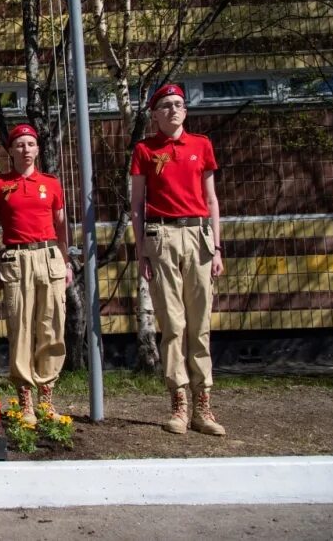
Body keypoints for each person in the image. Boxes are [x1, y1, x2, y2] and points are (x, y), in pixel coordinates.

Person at [131, 84, 226, 436]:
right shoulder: (144, 149)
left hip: (199, 236)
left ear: (186, 111)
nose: (173, 110)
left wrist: (216, 248)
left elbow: (212, 199)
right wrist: (141, 249)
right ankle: (179, 402)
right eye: (166, 106)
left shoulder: (201, 145)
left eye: (179, 105)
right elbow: (137, 205)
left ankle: (204, 404)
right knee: (173, 324)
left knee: (200, 323)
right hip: (162, 238)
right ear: (154, 114)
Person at [0, 123, 73, 425]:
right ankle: (26, 400)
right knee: (20, 329)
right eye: (19, 144)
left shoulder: (52, 183)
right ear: (10, 150)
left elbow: (61, 227)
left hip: (48, 258)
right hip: (15, 260)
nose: (26, 150)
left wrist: (66, 262)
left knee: (51, 326)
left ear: (38, 149)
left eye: (30, 144)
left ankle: (46, 397)